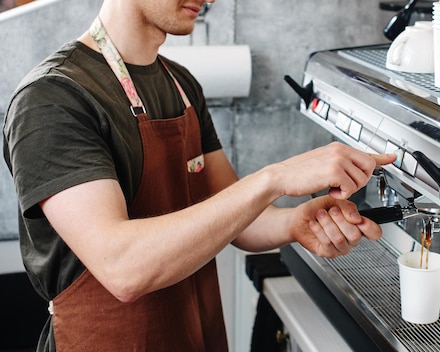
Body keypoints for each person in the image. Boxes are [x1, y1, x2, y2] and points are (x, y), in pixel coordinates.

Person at [2, 0, 396, 351]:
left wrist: (296, 222)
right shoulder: (53, 98)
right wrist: (274, 177)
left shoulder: (182, 84)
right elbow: (123, 268)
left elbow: (239, 219)